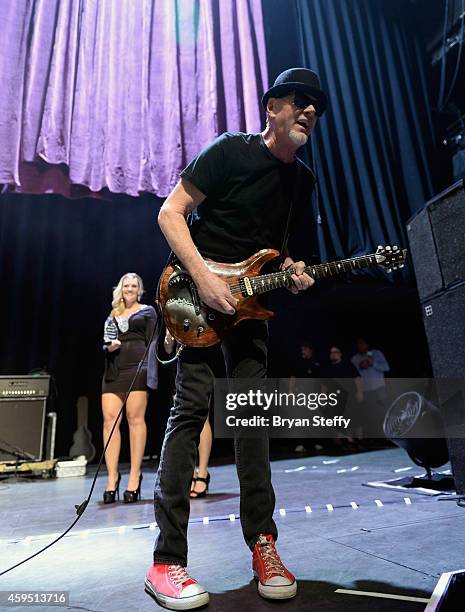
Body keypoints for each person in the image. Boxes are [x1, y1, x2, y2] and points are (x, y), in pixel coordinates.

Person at [145, 67, 327, 610]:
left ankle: (264, 545)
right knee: (190, 411)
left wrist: (296, 270)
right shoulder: (229, 151)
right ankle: (166, 561)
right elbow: (171, 212)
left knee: (253, 422)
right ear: (272, 106)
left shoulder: (303, 181)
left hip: (249, 307)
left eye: (318, 106)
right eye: (301, 101)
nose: (311, 111)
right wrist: (205, 279)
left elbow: (284, 250)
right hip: (197, 295)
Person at [101, 273, 157, 504]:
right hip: (114, 370)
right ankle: (112, 477)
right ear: (121, 289)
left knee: (135, 420)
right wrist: (109, 347)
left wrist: (151, 371)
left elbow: (153, 341)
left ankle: (135, 476)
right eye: (127, 285)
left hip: (138, 368)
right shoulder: (113, 314)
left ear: (140, 289)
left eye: (134, 285)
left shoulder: (148, 311)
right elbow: (105, 342)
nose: (130, 289)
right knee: (110, 421)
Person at [164, 330, 214, 499]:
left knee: (202, 416)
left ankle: (203, 472)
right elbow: (168, 349)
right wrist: (170, 334)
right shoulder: (171, 308)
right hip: (180, 365)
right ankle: (190, 473)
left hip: (202, 354)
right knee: (184, 419)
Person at [351, 337, 390, 439]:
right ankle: (375, 438)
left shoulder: (376, 353)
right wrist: (361, 366)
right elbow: (353, 375)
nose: (360, 346)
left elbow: (386, 367)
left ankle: (390, 436)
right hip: (366, 391)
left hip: (380, 388)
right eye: (358, 344)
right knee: (371, 415)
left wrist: (373, 363)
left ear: (367, 344)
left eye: (362, 343)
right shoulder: (355, 359)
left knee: (385, 413)